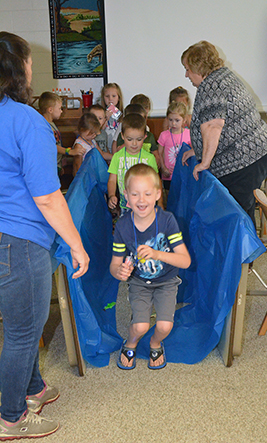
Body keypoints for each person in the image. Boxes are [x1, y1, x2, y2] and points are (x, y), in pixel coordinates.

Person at [0, 32, 89, 440]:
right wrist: (76, 243)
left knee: (24, 324)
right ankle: (10, 416)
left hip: (6, 237)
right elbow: (49, 197)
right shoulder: (28, 121)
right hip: (19, 241)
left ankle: (32, 389)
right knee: (22, 333)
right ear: (18, 70)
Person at [181, 41, 267, 226]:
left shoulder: (211, 86)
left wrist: (205, 162)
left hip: (244, 159)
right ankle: (246, 253)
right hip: (255, 154)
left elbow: (213, 126)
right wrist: (198, 151)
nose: (186, 74)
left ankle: (242, 253)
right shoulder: (221, 77)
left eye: (187, 68)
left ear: (197, 66)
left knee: (234, 214)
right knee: (240, 210)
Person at [110, 163, 191, 370]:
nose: (141, 200)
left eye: (147, 193)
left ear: (157, 194)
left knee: (164, 326)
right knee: (140, 325)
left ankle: (155, 343)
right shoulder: (123, 226)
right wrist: (120, 272)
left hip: (167, 281)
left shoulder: (167, 221)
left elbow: (185, 261)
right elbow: (115, 264)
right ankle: (130, 343)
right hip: (139, 282)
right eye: (135, 194)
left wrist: (157, 254)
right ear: (126, 196)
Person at [107, 113, 160, 215]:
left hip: (145, 205)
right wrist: (111, 195)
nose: (134, 144)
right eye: (129, 139)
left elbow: (156, 182)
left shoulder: (149, 158)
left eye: (139, 139)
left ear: (145, 136)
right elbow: (112, 180)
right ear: (122, 136)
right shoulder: (117, 157)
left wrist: (159, 202)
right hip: (125, 205)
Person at [39, 91, 86, 175]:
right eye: (60, 108)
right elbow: (52, 146)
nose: (61, 111)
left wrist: (60, 165)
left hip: (55, 165)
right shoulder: (44, 126)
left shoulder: (51, 124)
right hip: (49, 167)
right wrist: (70, 152)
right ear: (50, 110)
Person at [158, 101, 191, 192]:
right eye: (170, 120)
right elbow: (159, 153)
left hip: (184, 174)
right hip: (168, 175)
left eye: (177, 120)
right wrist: (163, 168)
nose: (173, 124)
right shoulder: (164, 135)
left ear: (184, 120)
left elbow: (193, 153)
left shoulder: (188, 134)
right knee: (169, 199)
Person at [100, 82, 124, 153]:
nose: (110, 99)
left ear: (118, 97)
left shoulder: (123, 114)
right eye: (107, 96)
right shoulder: (100, 113)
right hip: (105, 147)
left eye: (114, 96)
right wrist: (105, 119)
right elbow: (99, 131)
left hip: (117, 147)